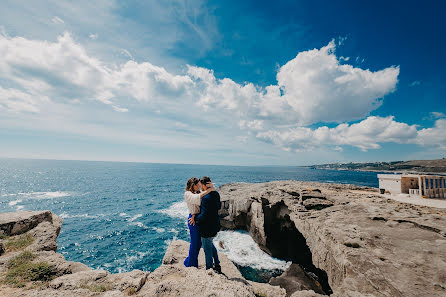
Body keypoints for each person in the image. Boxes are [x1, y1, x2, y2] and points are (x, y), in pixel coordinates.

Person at [190, 176, 222, 273]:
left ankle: (209, 270)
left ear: (204, 185)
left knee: (207, 250)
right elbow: (219, 206)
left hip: (207, 228)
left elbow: (204, 215)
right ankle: (217, 264)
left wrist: (195, 218)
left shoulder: (205, 198)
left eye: (201, 185)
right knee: (210, 245)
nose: (200, 187)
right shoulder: (216, 194)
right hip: (215, 225)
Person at [183, 177, 215, 268]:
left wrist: (211, 187)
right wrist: (210, 190)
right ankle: (191, 265)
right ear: (192, 185)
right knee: (195, 243)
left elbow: (205, 200)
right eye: (196, 185)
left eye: (198, 185)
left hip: (198, 218)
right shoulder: (187, 194)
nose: (198, 186)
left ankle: (189, 261)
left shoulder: (198, 192)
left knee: (199, 243)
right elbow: (195, 199)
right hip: (193, 220)